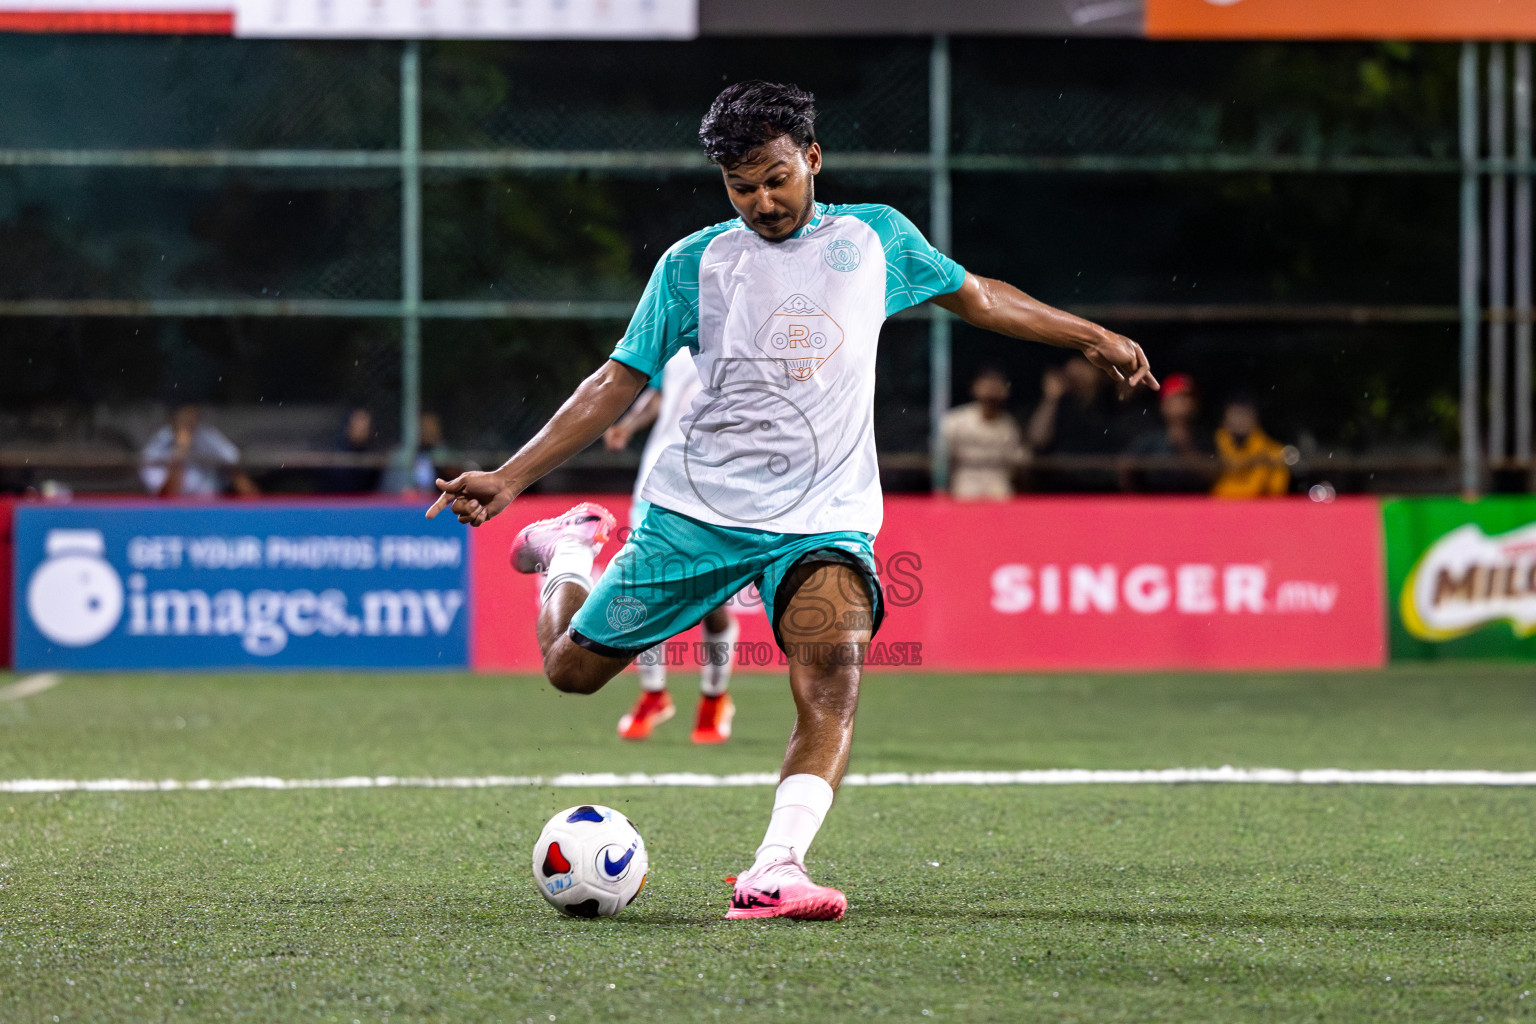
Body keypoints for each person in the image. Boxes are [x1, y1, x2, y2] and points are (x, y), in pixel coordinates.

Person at [428, 81, 1156, 921]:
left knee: (834, 671)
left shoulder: (875, 238)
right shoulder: (693, 264)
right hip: (697, 515)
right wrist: (513, 478)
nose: (763, 201)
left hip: (825, 519)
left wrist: (1092, 335)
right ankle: (571, 552)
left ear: (812, 158)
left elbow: (980, 296)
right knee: (572, 672)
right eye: (742, 186)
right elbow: (616, 380)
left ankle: (776, 867)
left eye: (777, 178)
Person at [603, 348, 741, 743]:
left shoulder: (746, 331)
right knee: (640, 590)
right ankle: (654, 694)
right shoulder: (679, 333)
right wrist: (628, 426)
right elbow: (662, 395)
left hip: (713, 485)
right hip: (656, 481)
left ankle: (714, 698)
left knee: (711, 596)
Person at [1024, 356, 1120, 492]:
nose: (1077, 373)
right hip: (1061, 482)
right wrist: (1051, 399)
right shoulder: (1060, 402)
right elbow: (1037, 439)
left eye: (1083, 365)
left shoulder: (1109, 400)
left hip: (1101, 483)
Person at [940, 366, 1028, 500]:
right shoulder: (955, 420)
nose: (991, 390)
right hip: (965, 485)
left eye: (996, 385)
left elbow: (1016, 466)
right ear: (975, 387)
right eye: (987, 384)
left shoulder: (1009, 425)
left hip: (998, 487)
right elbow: (942, 460)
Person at [1120, 372, 1213, 493]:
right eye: (1176, 397)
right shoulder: (1149, 440)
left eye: (1188, 397)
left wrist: (1186, 448)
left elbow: (1214, 477)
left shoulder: (1205, 439)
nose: (1183, 402)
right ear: (1164, 404)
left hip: (1195, 504)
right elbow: (1125, 470)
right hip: (1154, 504)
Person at [140, 405, 258, 498]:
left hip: (209, 509)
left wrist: (255, 511)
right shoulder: (158, 445)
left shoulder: (206, 436)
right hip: (172, 513)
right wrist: (181, 450)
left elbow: (237, 469)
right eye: (184, 415)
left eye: (193, 414)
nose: (190, 419)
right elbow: (166, 496)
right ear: (172, 417)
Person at [1212, 396, 1291, 497]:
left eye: (1245, 415)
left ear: (1255, 418)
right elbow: (1227, 465)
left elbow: (1278, 490)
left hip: (1256, 505)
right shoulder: (1213, 444)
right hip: (1218, 504)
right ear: (1224, 419)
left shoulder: (1272, 449)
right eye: (1236, 414)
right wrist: (1254, 460)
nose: (1240, 420)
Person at [318, 406, 383, 494]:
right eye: (358, 425)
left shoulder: (374, 456)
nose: (361, 429)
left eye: (365, 427)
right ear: (348, 426)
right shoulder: (336, 457)